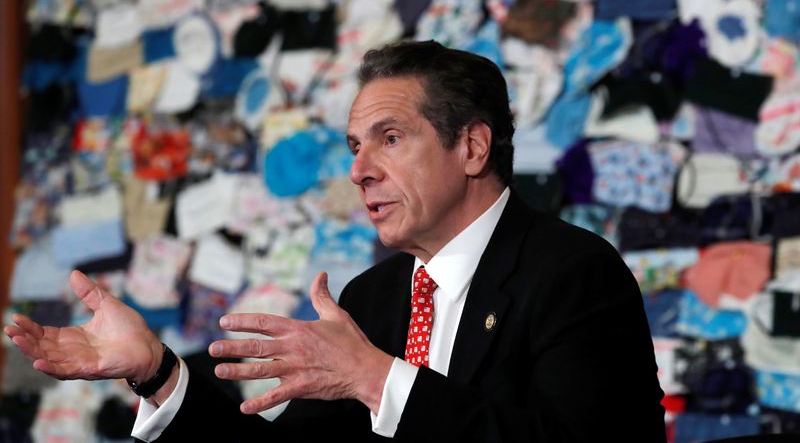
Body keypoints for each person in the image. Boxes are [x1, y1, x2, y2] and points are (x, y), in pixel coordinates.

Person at [6, 40, 666, 442]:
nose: (358, 170)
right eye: (355, 147)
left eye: (389, 138)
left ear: (471, 146)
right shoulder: (372, 298)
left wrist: (378, 379)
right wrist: (156, 371)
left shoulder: (575, 271)